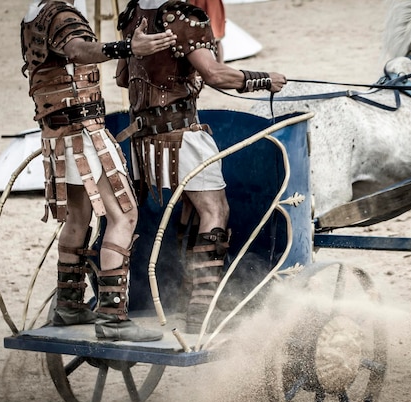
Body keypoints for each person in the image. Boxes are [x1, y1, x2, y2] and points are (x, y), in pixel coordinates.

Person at [114, 0, 287, 333]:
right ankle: (202, 308)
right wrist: (264, 79)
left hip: (142, 140)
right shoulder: (185, 16)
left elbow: (124, 77)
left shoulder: (133, 14)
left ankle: (187, 292)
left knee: (192, 210)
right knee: (214, 211)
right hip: (182, 137)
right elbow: (215, 74)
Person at [20, 0, 177, 341]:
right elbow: (78, 50)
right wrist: (127, 47)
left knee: (78, 218)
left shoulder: (34, 13)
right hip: (83, 133)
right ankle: (113, 318)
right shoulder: (62, 14)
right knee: (124, 215)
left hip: (58, 134)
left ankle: (70, 304)